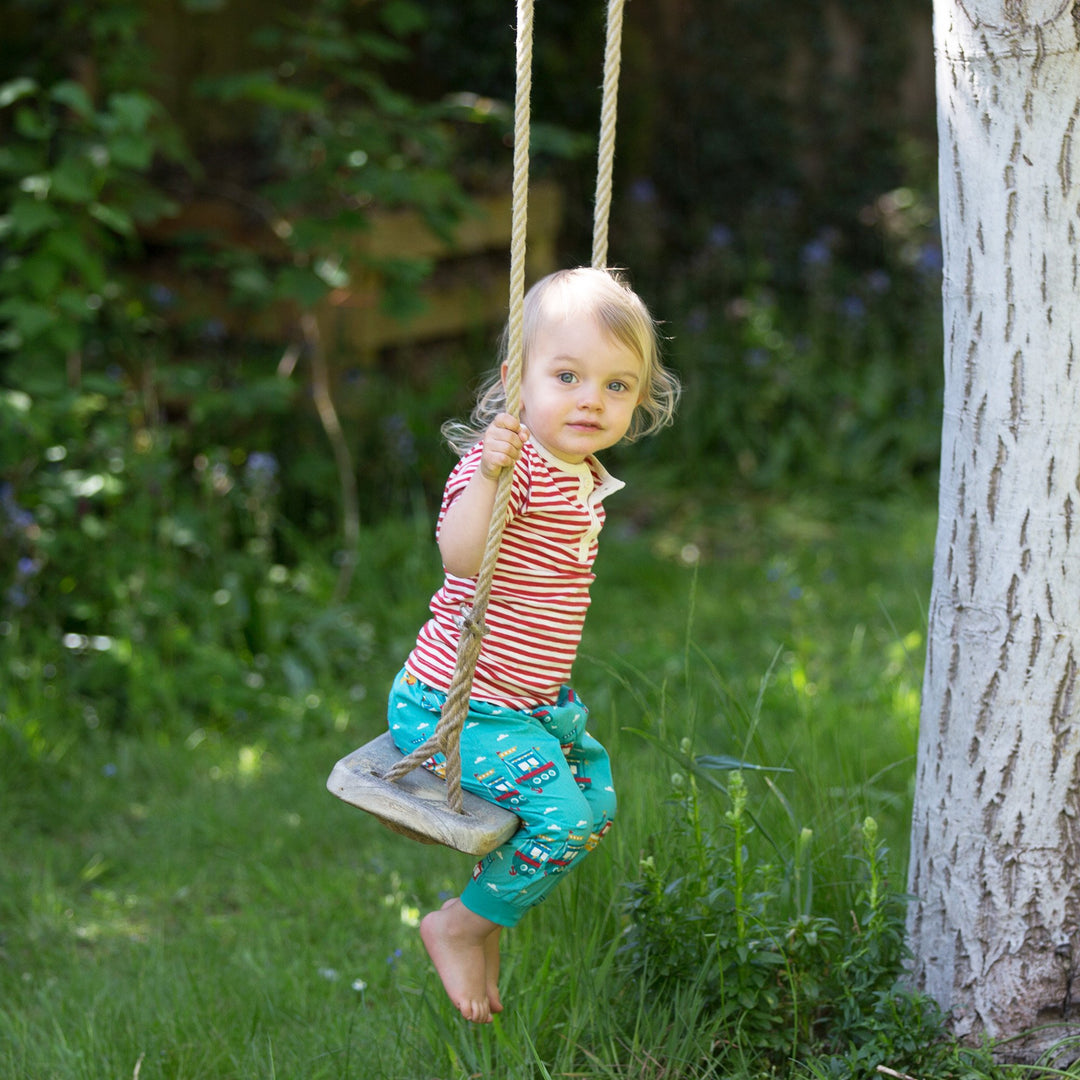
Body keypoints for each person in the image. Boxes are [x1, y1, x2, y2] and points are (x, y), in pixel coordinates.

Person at [387, 266, 680, 1023]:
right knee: (566, 820)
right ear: (519, 380)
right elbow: (458, 554)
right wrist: (487, 471)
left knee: (598, 804)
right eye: (568, 376)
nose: (592, 398)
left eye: (618, 386)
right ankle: (458, 926)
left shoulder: (578, 470)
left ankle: (481, 916)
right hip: (457, 709)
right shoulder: (509, 466)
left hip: (535, 706)